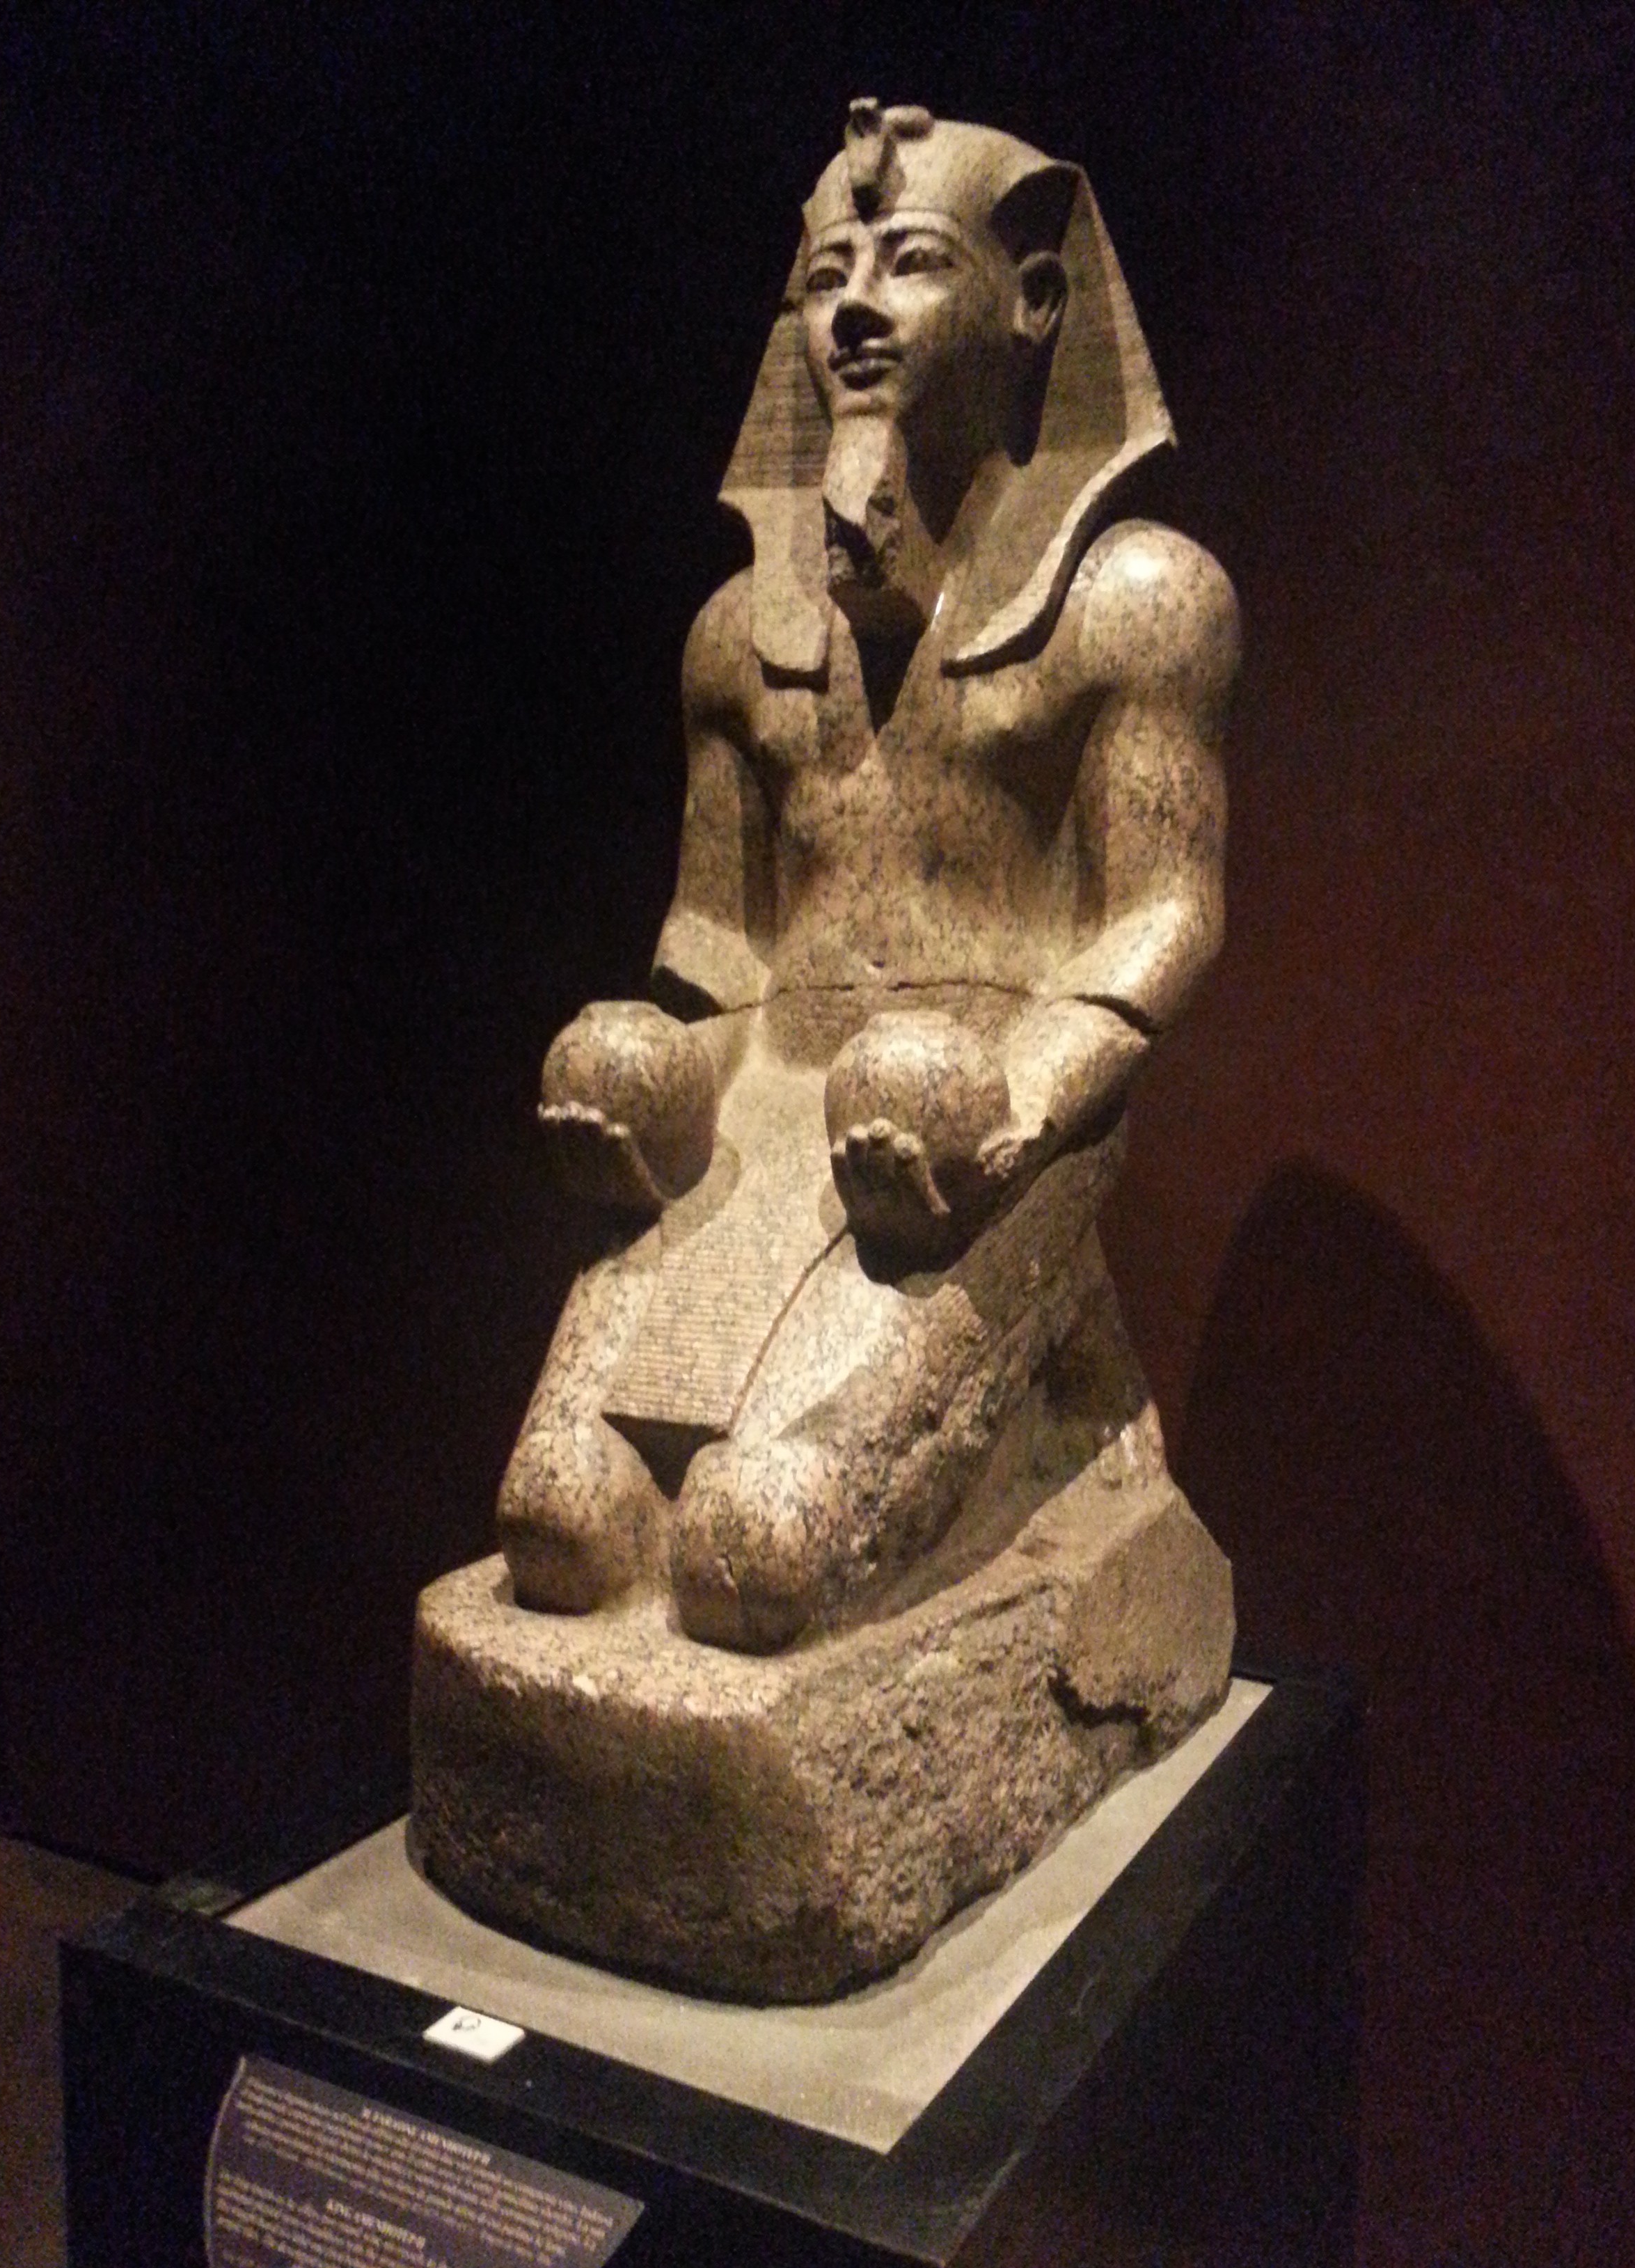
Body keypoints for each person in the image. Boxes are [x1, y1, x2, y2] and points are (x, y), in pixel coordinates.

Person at [499, 101, 1240, 1652]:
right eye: (826, 274)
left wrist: (1017, 1100)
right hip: (769, 1115)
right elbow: (721, 939)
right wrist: (656, 1081)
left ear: (1037, 300)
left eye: (908, 262)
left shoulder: (1138, 600)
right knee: (561, 1526)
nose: (852, 306)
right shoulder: (737, 639)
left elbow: (1162, 914)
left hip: (988, 1116)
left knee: (756, 1556)